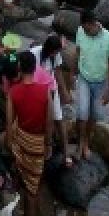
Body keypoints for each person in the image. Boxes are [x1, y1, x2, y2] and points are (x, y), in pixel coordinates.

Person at [7, 50, 51, 216]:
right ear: (35, 69)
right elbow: (49, 124)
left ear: (19, 68)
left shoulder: (13, 92)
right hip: (36, 142)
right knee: (33, 185)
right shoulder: (45, 92)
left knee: (21, 177)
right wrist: (48, 144)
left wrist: (10, 144)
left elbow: (9, 123)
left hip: (20, 139)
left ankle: (19, 211)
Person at [74, 10, 109, 161]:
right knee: (82, 112)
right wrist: (74, 72)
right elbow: (77, 51)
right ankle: (80, 143)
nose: (85, 31)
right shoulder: (80, 31)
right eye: (84, 29)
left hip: (100, 82)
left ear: (94, 24)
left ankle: (86, 142)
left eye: (88, 29)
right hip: (84, 78)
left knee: (94, 115)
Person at [31, 34, 73, 167]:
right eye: (56, 51)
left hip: (51, 88)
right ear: (49, 49)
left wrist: (64, 91)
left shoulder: (56, 55)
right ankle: (44, 145)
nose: (57, 54)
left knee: (58, 119)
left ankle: (66, 153)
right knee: (42, 120)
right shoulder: (34, 54)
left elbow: (58, 73)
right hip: (36, 90)